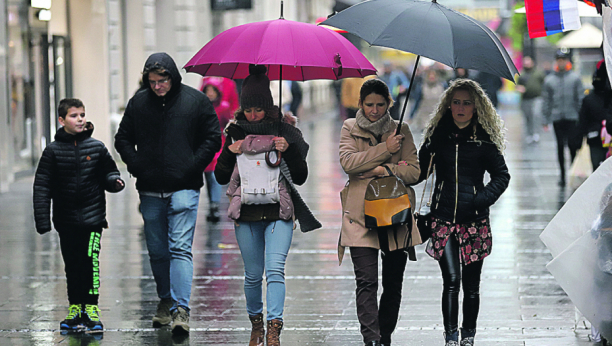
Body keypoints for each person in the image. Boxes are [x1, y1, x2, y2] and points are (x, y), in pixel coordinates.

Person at [114, 52, 222, 334]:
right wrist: (137, 166)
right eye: (152, 81)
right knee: (158, 251)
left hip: (185, 186)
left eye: (162, 80)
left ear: (172, 77)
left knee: (180, 248)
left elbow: (213, 137)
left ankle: (181, 309)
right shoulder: (139, 102)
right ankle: (165, 301)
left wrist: (193, 165)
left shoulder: (195, 101)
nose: (158, 86)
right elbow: (122, 138)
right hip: (150, 189)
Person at [214, 64, 320, 346]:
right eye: (248, 109)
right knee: (252, 275)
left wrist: (290, 150)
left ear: (268, 107)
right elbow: (221, 176)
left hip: (279, 211)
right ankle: (256, 324)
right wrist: (229, 151)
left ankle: (274, 329)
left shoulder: (284, 130)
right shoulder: (234, 131)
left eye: (258, 109)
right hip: (246, 212)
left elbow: (300, 176)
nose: (252, 115)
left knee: (274, 270)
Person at [417, 79, 510, 346]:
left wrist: (481, 199)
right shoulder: (438, 136)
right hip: (443, 219)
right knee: (451, 280)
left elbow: (502, 176)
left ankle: (468, 334)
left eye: (466, 103)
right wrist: (406, 153)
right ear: (448, 105)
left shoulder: (483, 140)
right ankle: (451, 336)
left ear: (475, 107)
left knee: (471, 286)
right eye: (456, 102)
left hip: (474, 221)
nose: (460, 107)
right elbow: (420, 173)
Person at [338, 78, 422, 346]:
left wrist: (384, 170)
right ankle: (371, 340)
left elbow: (414, 171)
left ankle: (384, 335)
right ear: (360, 103)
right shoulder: (349, 128)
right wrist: (386, 150)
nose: (375, 110)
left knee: (393, 282)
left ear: (389, 103)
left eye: (380, 104)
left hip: (394, 214)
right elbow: (349, 163)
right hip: (359, 215)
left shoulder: (402, 130)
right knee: (366, 282)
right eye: (369, 104)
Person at [33, 98, 125, 332]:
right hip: (66, 221)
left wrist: (114, 181)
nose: (80, 119)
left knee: (91, 263)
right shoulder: (52, 151)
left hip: (93, 219)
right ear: (62, 120)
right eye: (74, 116)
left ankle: (91, 308)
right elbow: (42, 185)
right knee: (72, 264)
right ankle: (76, 307)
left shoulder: (96, 147)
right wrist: (42, 220)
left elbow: (109, 170)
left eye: (82, 114)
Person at [542, 48, 585, 186]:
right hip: (557, 118)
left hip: (572, 118)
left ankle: (572, 171)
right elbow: (547, 101)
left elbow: (580, 98)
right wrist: (545, 119)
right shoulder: (549, 80)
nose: (561, 62)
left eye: (563, 59)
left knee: (573, 146)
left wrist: (581, 117)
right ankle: (562, 175)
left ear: (567, 61)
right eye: (559, 60)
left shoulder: (575, 78)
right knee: (560, 146)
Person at [202, 78, 235, 222]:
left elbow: (231, 121)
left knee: (214, 175)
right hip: (205, 145)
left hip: (219, 145)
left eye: (212, 91)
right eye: (207, 91)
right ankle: (212, 202)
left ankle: (214, 204)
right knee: (209, 176)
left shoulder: (223, 106)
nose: (210, 94)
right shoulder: (201, 107)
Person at [576, 60, 612, 171]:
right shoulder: (591, 99)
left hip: (595, 137)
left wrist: (577, 141)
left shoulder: (589, 99)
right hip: (597, 137)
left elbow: (582, 121)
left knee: (598, 169)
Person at [516, 56, 546, 144]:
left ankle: (536, 133)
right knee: (527, 117)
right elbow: (518, 85)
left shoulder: (538, 73)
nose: (527, 64)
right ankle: (529, 134)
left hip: (537, 98)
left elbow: (544, 84)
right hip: (525, 99)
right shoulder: (521, 74)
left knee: (536, 115)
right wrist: (519, 89)